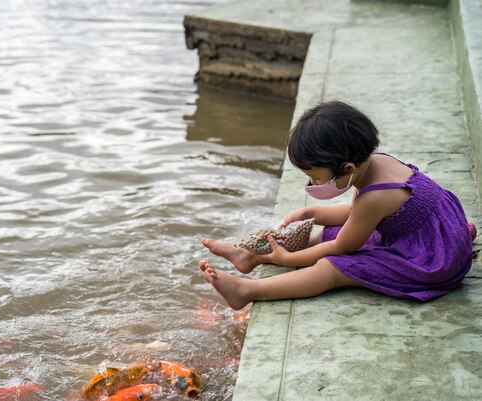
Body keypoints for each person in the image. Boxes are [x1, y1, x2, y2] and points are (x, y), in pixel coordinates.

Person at [199, 100, 476, 310]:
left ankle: (248, 291)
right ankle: (249, 256)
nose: (311, 183)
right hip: (431, 234)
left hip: (432, 260)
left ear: (347, 168)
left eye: (315, 177)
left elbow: (344, 245)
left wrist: (288, 259)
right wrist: (313, 212)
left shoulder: (374, 196)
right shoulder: (377, 162)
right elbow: (356, 216)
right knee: (325, 232)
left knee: (332, 267)